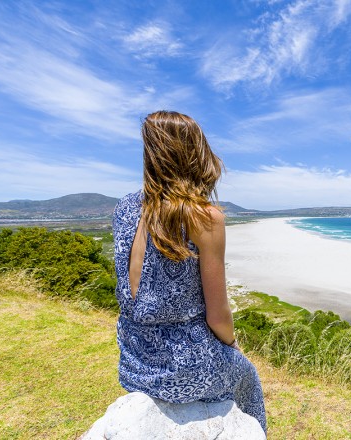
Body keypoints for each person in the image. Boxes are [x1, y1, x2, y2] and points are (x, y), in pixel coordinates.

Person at [112, 110, 266, 432]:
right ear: (195, 154)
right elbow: (218, 317)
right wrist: (232, 346)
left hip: (132, 357)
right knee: (248, 377)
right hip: (183, 365)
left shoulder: (125, 207)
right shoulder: (204, 217)